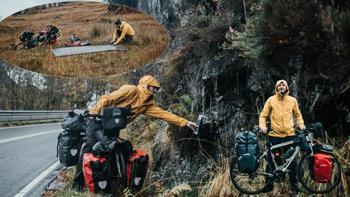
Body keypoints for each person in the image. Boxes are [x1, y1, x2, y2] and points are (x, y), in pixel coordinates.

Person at [72, 75, 198, 190]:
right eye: (152, 88)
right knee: (89, 150)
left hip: (113, 127)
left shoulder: (147, 104)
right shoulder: (131, 90)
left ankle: (106, 184)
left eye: (156, 89)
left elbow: (164, 114)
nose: (154, 91)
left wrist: (185, 122)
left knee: (111, 151)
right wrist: (96, 110)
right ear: (145, 85)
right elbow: (107, 98)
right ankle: (77, 185)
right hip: (97, 121)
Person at [259, 79, 305, 194]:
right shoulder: (271, 100)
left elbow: (298, 115)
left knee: (292, 161)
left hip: (290, 135)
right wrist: (262, 126)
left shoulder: (292, 100)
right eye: (279, 85)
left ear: (287, 87)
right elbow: (263, 115)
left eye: (283, 85)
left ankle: (294, 187)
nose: (281, 87)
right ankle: (269, 185)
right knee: (272, 159)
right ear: (276, 88)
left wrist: (302, 126)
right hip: (275, 135)